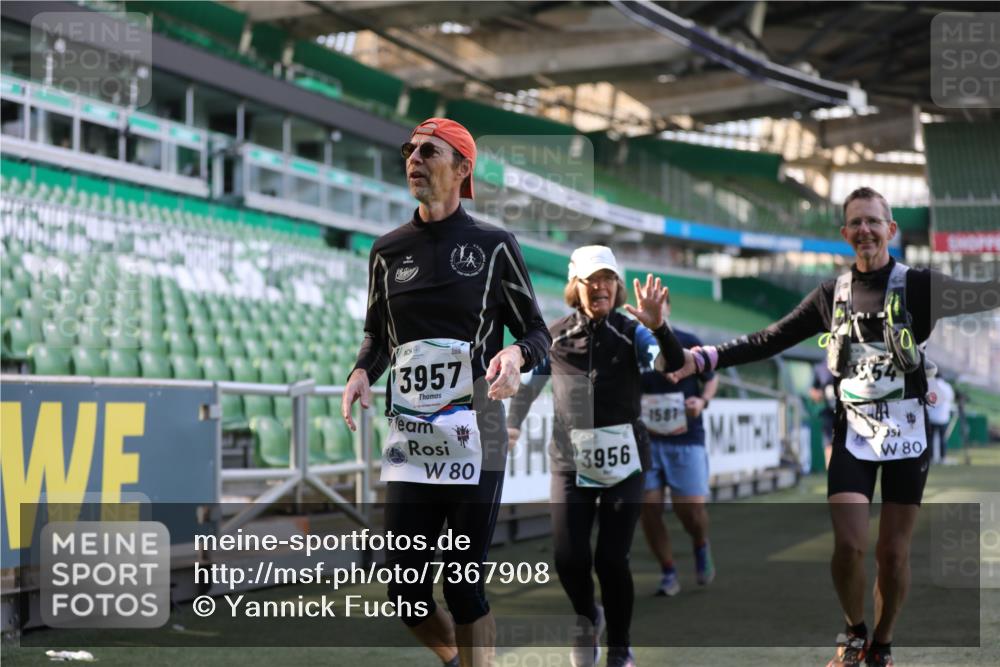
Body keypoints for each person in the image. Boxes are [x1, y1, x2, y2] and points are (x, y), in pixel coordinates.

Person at [662, 187, 999, 667]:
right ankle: (854, 630)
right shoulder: (831, 294)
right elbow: (771, 338)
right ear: (845, 234)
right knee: (849, 544)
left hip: (907, 433)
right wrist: (706, 357)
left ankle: (882, 642)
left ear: (891, 229)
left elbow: (982, 294)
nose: (865, 230)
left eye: (873, 221)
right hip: (854, 432)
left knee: (893, 555)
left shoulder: (920, 284)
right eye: (856, 223)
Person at [341, 117, 551, 667]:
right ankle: (456, 660)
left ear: (462, 169)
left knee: (463, 588)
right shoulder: (386, 251)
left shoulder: (494, 245)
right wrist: (362, 371)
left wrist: (515, 354)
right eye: (409, 149)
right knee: (404, 592)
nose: (413, 158)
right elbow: (376, 335)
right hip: (412, 442)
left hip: (476, 439)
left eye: (428, 150)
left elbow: (538, 334)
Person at [507, 246, 686, 667]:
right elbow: (529, 386)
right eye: (591, 280)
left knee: (611, 559)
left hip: (625, 461)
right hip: (569, 461)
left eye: (607, 279)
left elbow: (671, 363)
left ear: (617, 285)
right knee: (569, 558)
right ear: (576, 285)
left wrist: (660, 328)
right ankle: (588, 619)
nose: (600, 287)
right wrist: (512, 424)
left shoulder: (632, 332)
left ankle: (620, 645)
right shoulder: (554, 336)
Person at [636, 293, 719, 597]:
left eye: (656, 306)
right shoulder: (635, 346)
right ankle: (668, 571)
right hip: (646, 440)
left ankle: (700, 544)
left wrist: (703, 401)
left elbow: (711, 377)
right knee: (649, 508)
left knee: (692, 511)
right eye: (643, 308)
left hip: (686, 438)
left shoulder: (687, 339)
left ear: (667, 307)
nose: (650, 312)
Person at [811, 360, 838, 468]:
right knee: (829, 444)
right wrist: (820, 395)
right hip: (829, 412)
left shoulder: (849, 360)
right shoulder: (820, 367)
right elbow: (813, 391)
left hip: (849, 412)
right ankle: (831, 471)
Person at [925, 371, 954, 464]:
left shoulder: (931, 386)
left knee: (930, 439)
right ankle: (943, 457)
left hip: (932, 416)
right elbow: (951, 399)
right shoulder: (947, 387)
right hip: (943, 416)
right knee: (942, 438)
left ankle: (930, 457)